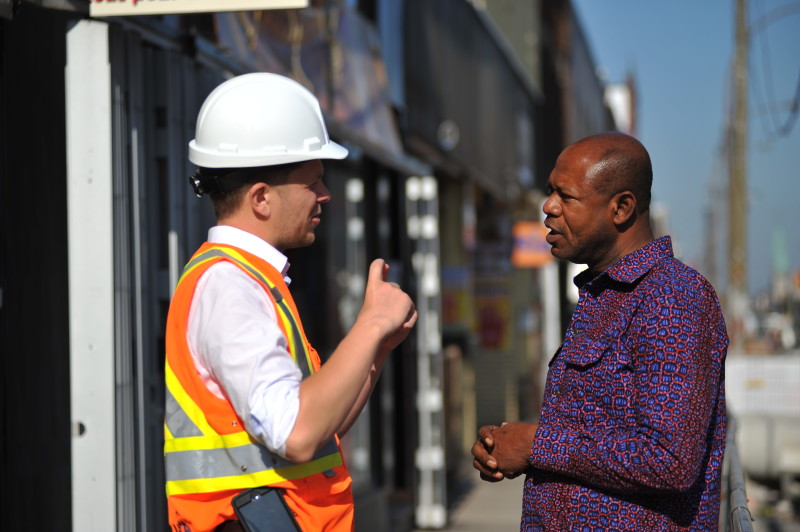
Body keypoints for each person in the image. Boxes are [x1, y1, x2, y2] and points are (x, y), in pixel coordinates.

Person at [163, 72, 418, 532]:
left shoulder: (248, 280)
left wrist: (376, 346)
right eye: (312, 182)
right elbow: (298, 434)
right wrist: (370, 324)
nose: (325, 195)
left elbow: (323, 425)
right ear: (261, 198)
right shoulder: (229, 286)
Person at [472, 132, 728, 531]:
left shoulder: (673, 298)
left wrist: (536, 446)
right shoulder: (603, 296)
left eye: (566, 196)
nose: (548, 207)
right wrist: (507, 449)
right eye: (550, 191)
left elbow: (670, 459)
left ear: (621, 208)